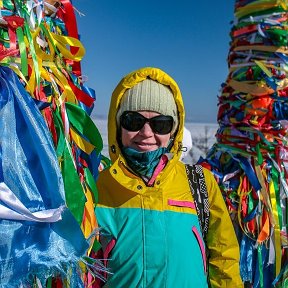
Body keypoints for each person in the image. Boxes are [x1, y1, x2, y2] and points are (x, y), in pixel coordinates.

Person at [95, 67, 243, 287]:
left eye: (160, 124)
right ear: (118, 125)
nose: (146, 133)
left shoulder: (201, 184)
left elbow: (224, 261)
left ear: (173, 130)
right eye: (133, 121)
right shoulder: (97, 187)